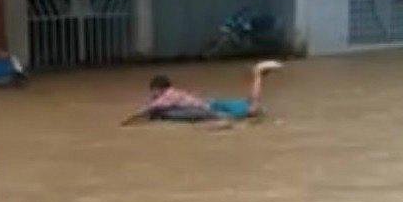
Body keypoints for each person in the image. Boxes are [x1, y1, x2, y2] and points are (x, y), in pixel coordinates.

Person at [121, 60, 283, 127]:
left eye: (154, 91)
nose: (153, 95)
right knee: (251, 107)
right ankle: (259, 75)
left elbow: (147, 110)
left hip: (211, 107)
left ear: (158, 89)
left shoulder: (167, 97)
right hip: (210, 103)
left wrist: (126, 122)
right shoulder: (174, 93)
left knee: (252, 108)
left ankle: (258, 73)